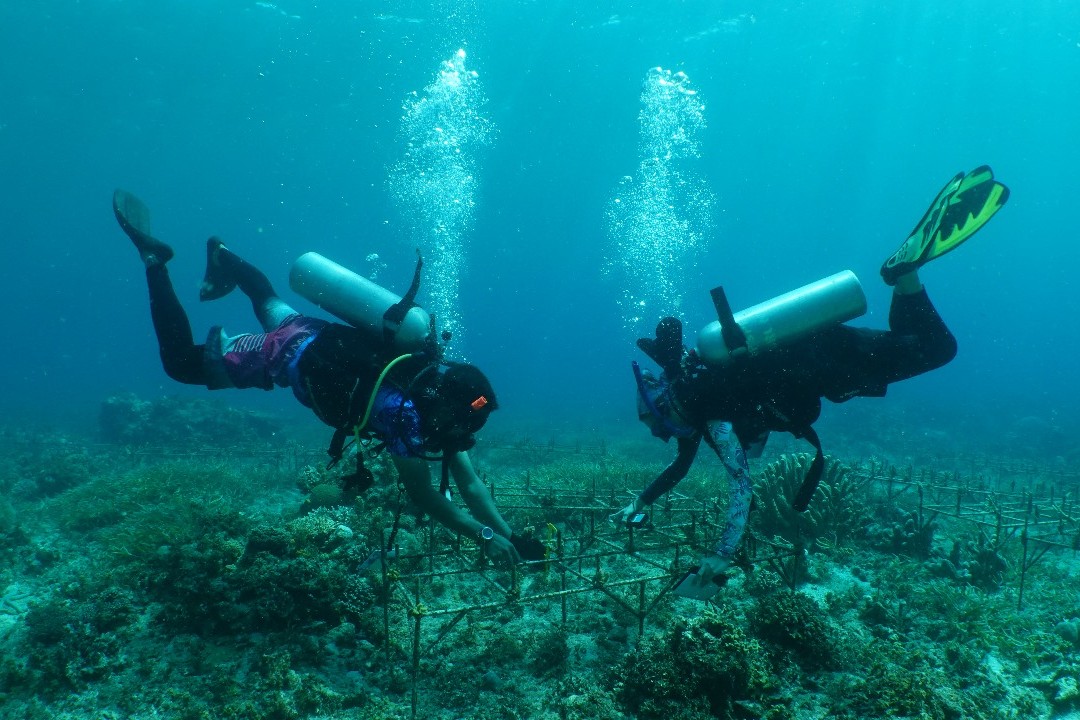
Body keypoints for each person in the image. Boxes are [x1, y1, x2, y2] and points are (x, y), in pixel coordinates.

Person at [610, 166, 1009, 595]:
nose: (658, 435)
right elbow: (680, 466)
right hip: (823, 360)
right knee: (913, 345)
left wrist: (720, 556)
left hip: (830, 361)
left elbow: (742, 485)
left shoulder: (711, 415)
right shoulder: (697, 398)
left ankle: (903, 272)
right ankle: (903, 274)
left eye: (653, 425)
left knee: (937, 349)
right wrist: (640, 502)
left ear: (663, 408)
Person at [113, 189, 543, 567]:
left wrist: (511, 536)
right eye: (466, 422)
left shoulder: (431, 396)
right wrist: (485, 538)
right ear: (447, 403)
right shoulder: (405, 416)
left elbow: (468, 482)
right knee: (182, 365)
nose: (465, 433)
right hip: (287, 353)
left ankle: (222, 254)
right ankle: (155, 261)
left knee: (267, 300)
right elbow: (426, 498)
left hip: (314, 330)